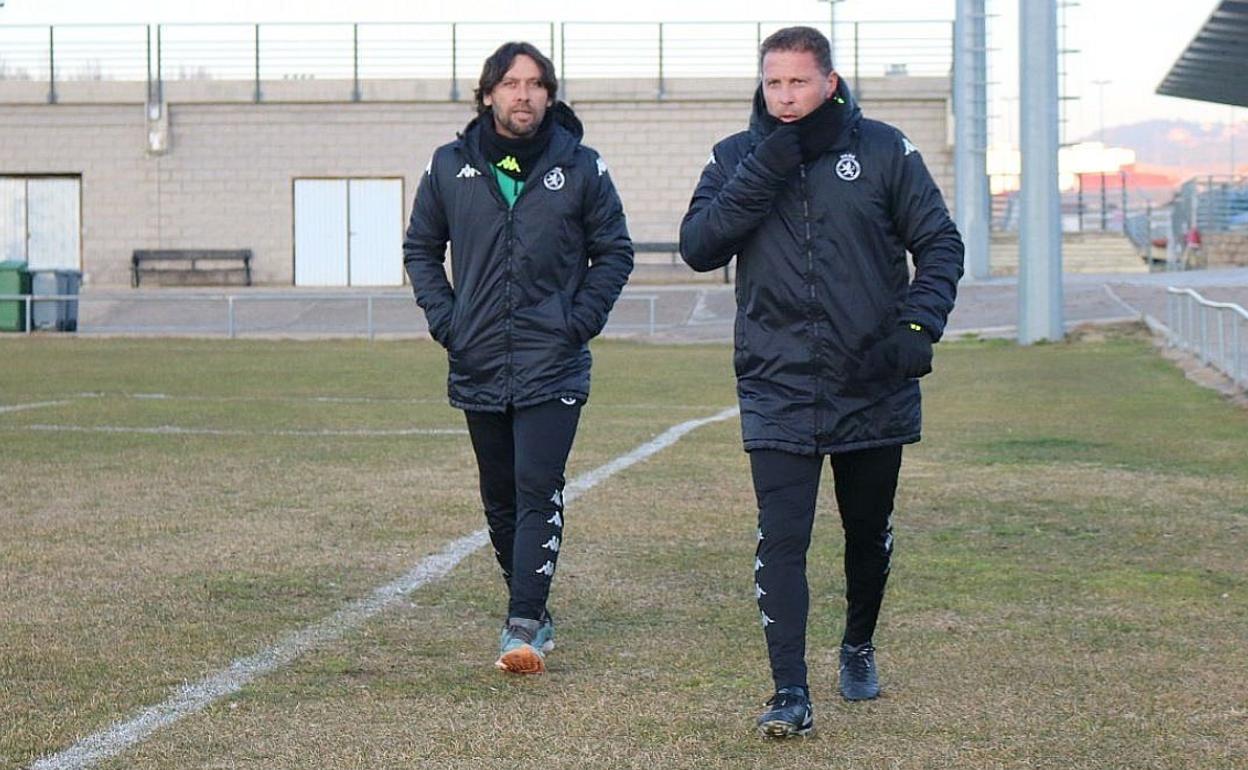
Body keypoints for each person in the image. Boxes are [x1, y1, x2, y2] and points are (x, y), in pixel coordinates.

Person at [679, 26, 963, 737]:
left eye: (798, 82)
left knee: (867, 532)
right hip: (777, 382)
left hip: (872, 380)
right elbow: (699, 245)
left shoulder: (885, 150)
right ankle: (789, 692)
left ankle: (858, 644)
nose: (785, 96)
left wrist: (918, 327)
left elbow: (939, 242)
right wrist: (771, 162)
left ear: (829, 83)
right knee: (782, 539)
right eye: (773, 83)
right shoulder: (736, 157)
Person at [403, 41, 633, 675]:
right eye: (510, 83)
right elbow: (421, 248)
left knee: (537, 487)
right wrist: (448, 322)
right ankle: (534, 607)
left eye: (535, 84)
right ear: (487, 95)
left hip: (552, 361)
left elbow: (614, 251)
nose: (522, 95)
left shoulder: (581, 167)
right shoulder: (449, 166)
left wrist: (577, 322)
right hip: (477, 358)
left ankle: (522, 623)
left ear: (549, 96)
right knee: (500, 498)